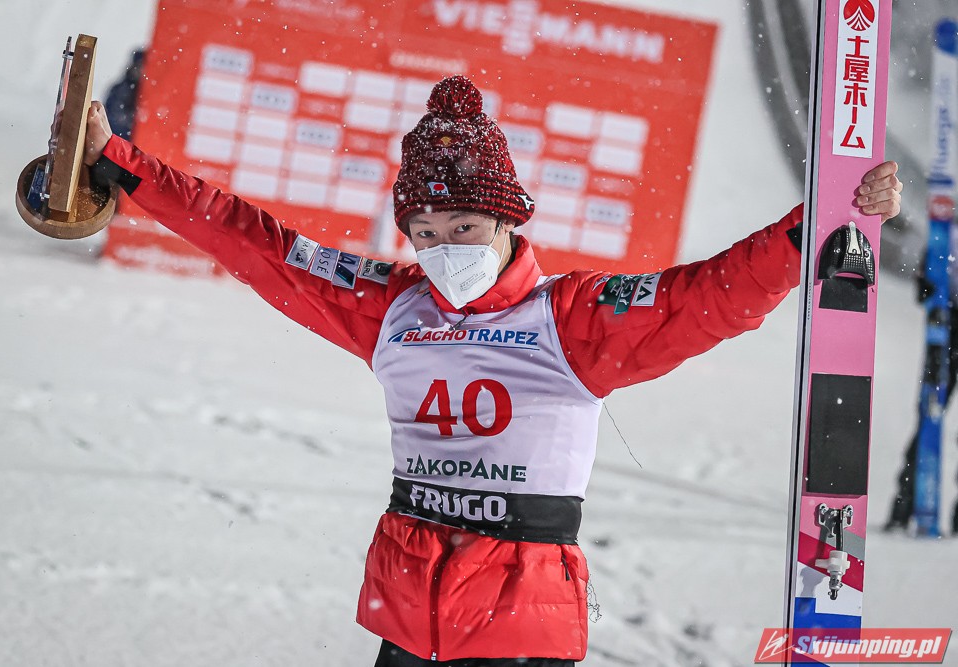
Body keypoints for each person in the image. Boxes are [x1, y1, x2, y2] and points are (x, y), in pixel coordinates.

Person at [81, 75, 902, 666]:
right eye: (426, 232)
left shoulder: (571, 319)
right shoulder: (391, 306)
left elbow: (706, 296)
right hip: (408, 621)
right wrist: (126, 167)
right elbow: (260, 245)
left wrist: (814, 229)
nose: (445, 249)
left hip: (519, 630)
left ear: (509, 221)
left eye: (465, 225)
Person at [885, 262, 958, 534]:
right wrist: (926, 284)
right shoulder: (945, 240)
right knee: (928, 420)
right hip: (946, 330)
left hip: (947, 329)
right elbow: (924, 284)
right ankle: (905, 507)